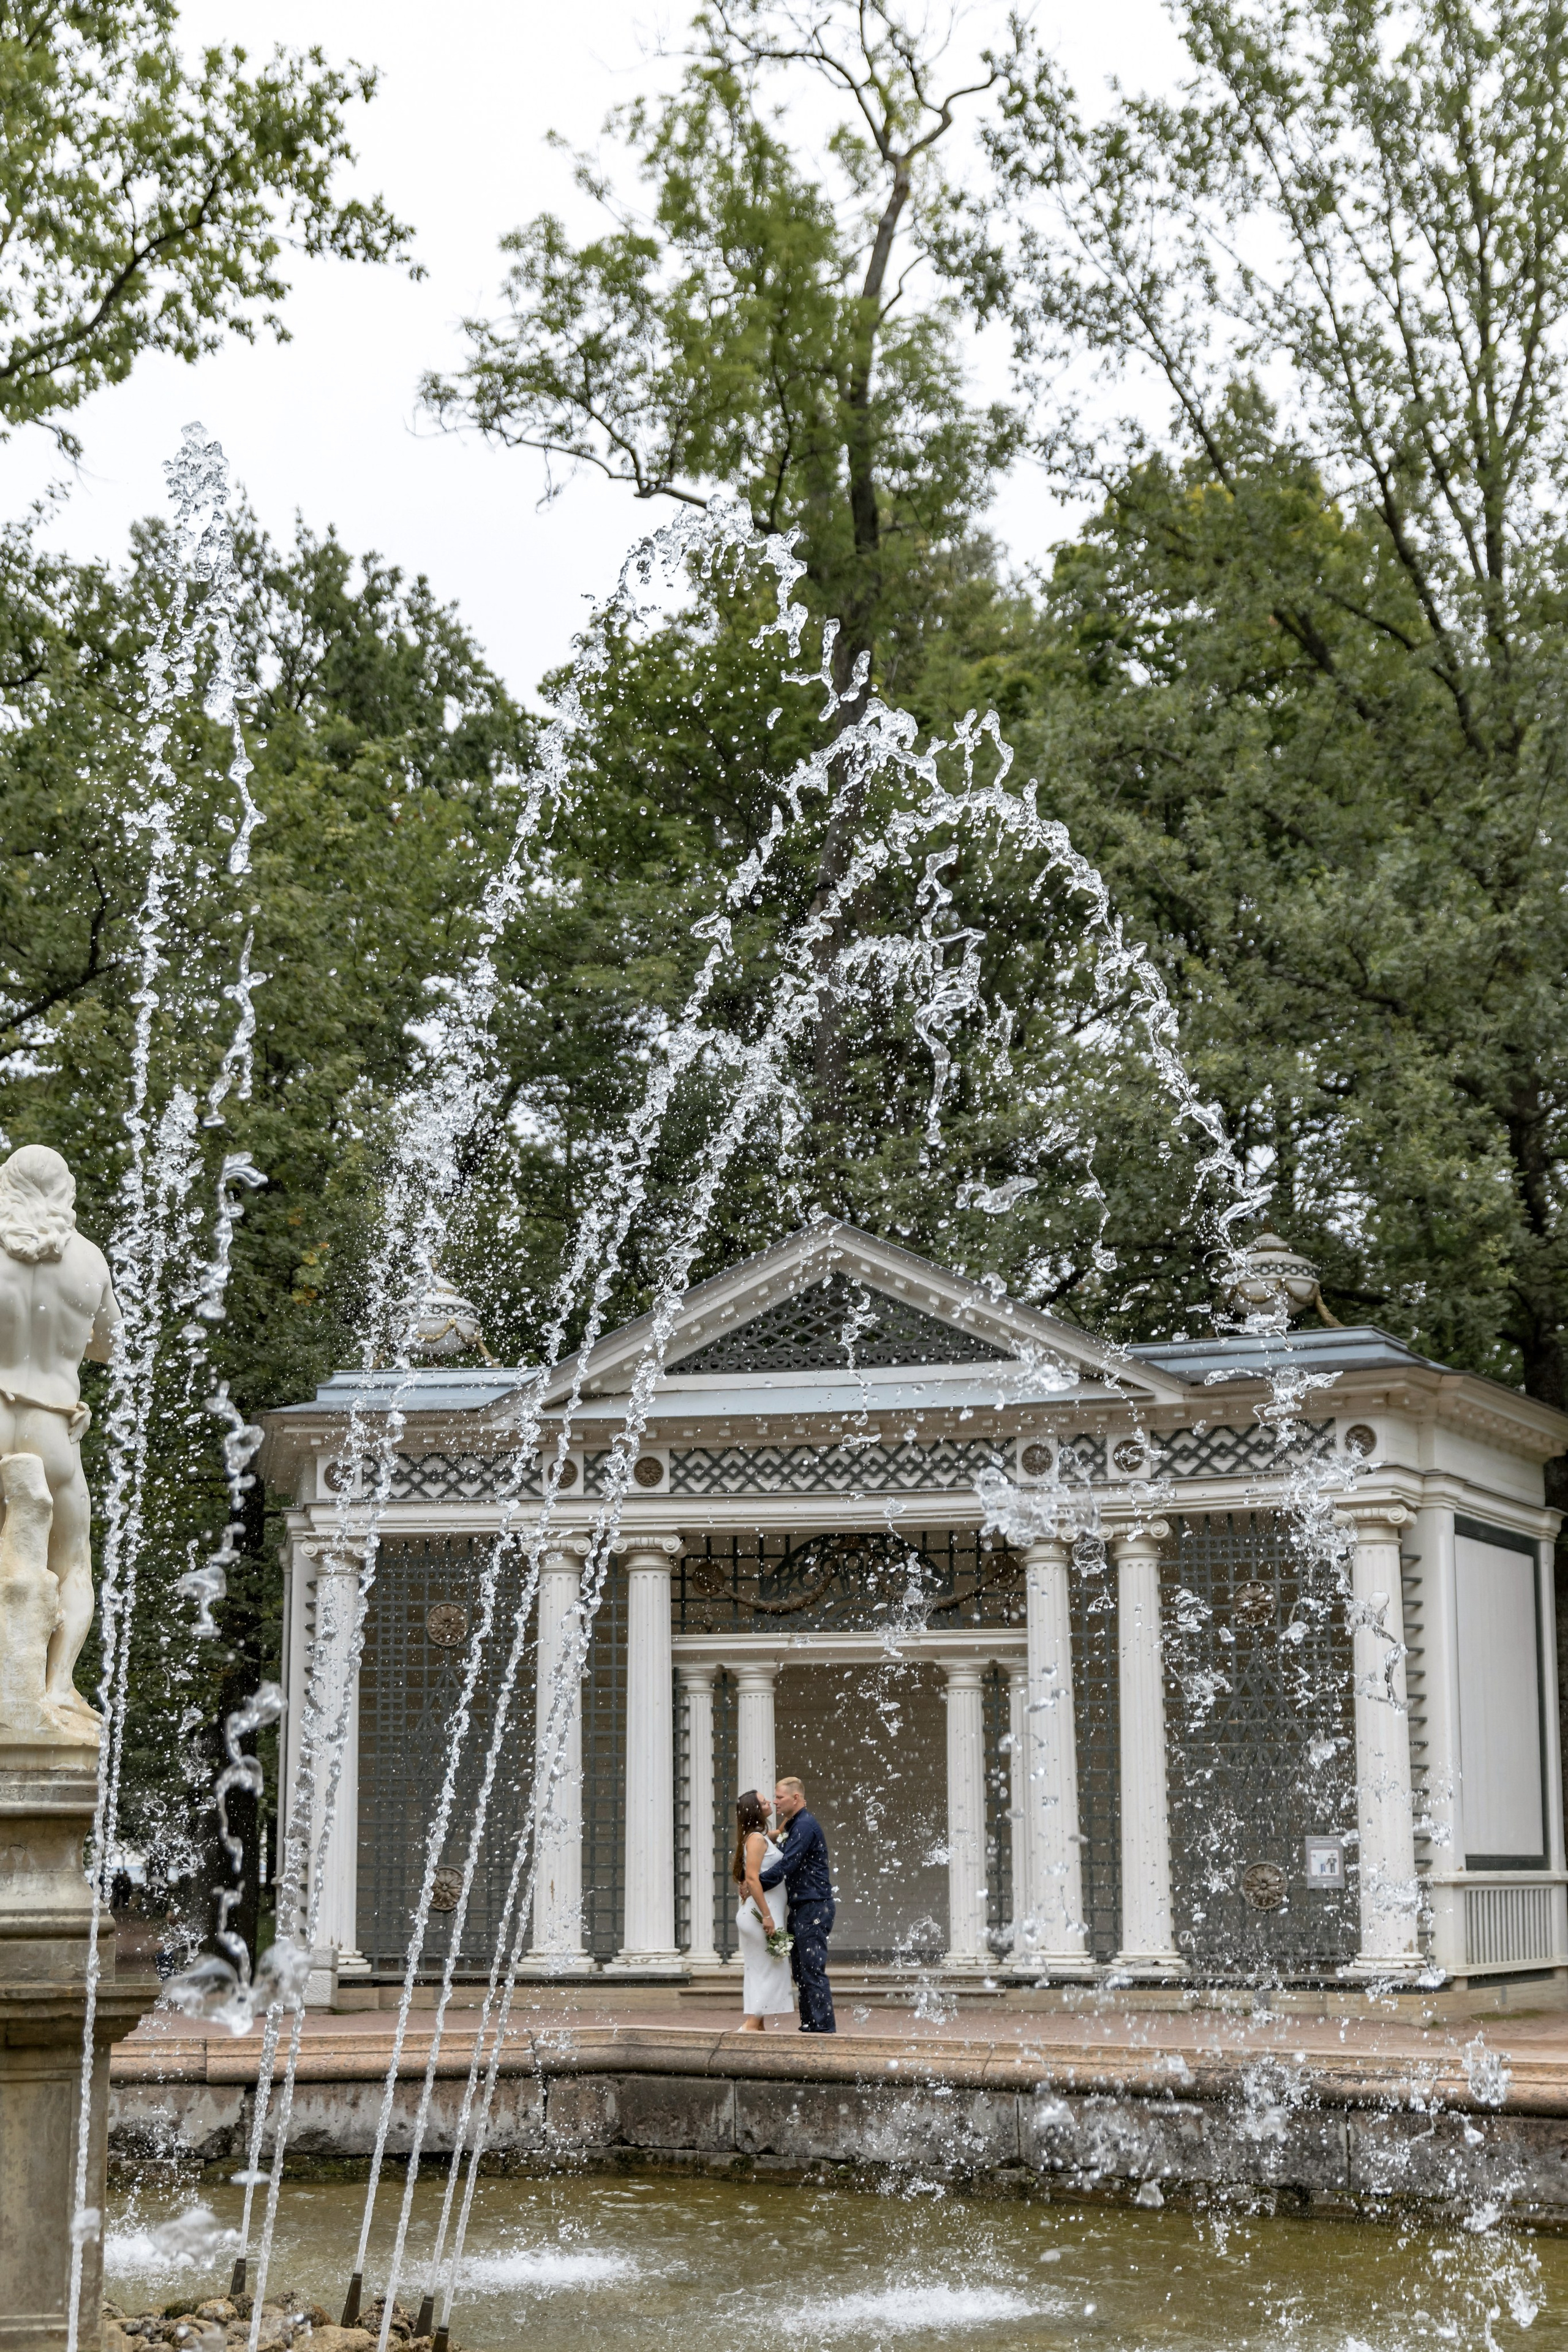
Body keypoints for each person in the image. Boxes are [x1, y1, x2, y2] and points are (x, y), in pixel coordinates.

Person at [0, 1144, 119, 1733]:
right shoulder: (88, 1260)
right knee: (73, 1564)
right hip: (53, 1424)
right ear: (65, 1190)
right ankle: (57, 1688)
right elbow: (110, 1345)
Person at [759, 1774, 836, 2033]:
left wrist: (755, 1883)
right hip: (803, 1907)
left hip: (814, 1906)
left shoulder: (804, 1826)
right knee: (802, 1971)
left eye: (779, 1797)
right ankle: (810, 2024)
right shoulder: (795, 1825)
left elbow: (787, 1865)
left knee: (811, 1969)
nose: (776, 1802)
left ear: (796, 1798)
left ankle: (823, 2030)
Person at [732, 1788, 794, 2030]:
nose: (769, 1801)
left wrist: (794, 1809)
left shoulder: (760, 1836)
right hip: (761, 1915)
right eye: (763, 1801)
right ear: (755, 1810)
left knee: (761, 1970)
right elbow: (753, 1878)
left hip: (759, 1915)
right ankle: (750, 2025)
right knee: (770, 1970)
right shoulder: (757, 1840)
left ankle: (758, 2028)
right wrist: (767, 1916)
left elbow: (778, 1832)